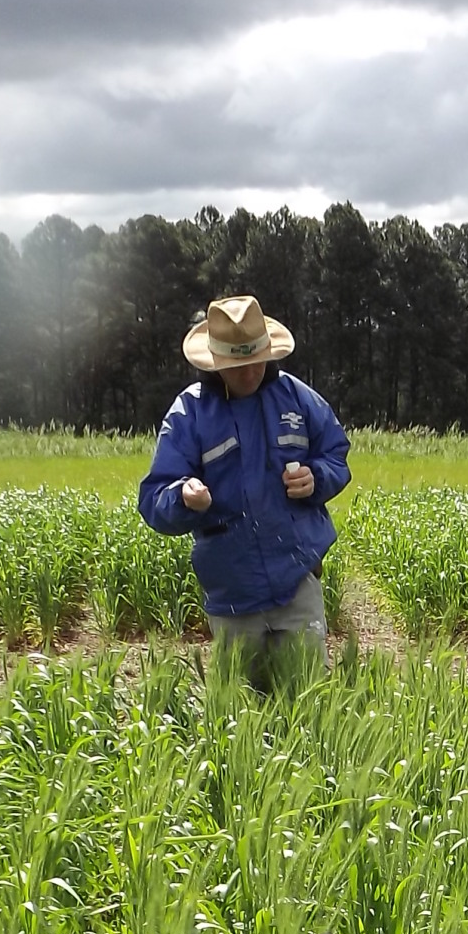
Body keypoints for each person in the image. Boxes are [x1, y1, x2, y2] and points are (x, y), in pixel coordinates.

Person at [137, 293, 351, 691]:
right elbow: (154, 498)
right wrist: (184, 496)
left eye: (256, 362)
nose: (250, 373)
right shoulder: (190, 413)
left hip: (296, 581)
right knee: (243, 713)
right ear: (215, 362)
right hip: (232, 593)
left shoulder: (298, 399)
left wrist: (316, 478)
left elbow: (336, 456)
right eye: (238, 366)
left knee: (310, 699)